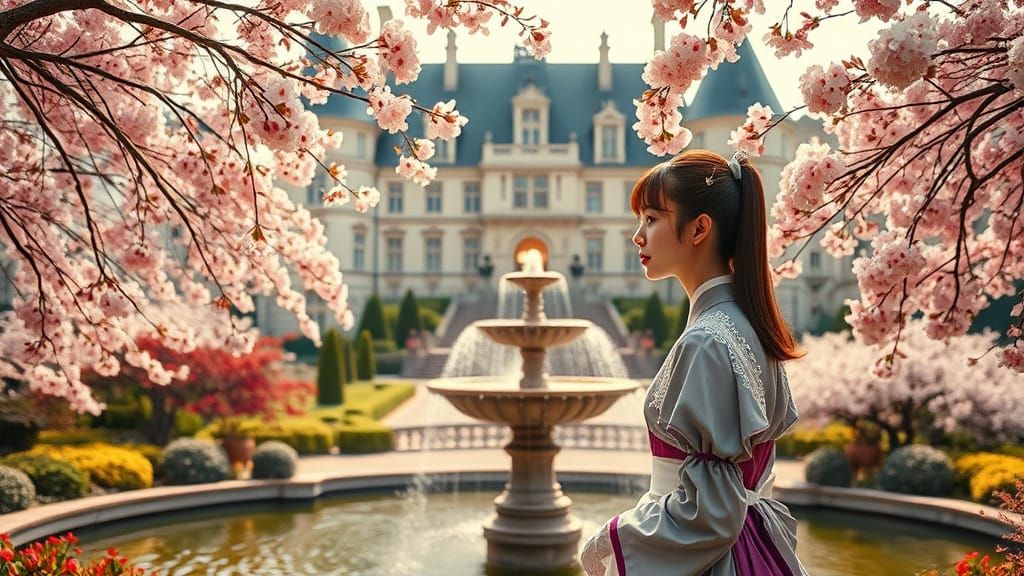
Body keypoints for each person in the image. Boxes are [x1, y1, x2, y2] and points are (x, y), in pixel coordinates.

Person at [579, 150, 807, 576]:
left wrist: (612, 537)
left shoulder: (708, 339)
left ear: (700, 228)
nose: (637, 236)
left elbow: (709, 514)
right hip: (750, 549)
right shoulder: (746, 324)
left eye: (651, 218)